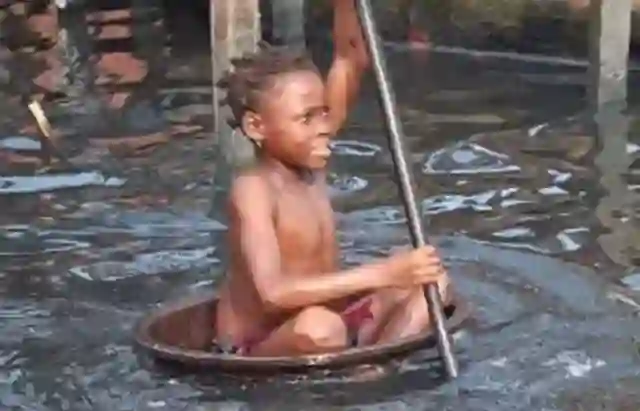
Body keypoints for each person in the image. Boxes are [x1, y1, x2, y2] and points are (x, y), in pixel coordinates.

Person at [213, 0, 450, 357]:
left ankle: (375, 362)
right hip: (263, 344)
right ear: (256, 126)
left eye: (324, 113)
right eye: (307, 118)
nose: (325, 127)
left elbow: (350, 57)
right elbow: (273, 294)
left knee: (434, 280)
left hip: (332, 322)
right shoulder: (253, 190)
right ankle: (366, 359)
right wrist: (384, 273)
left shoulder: (311, 152)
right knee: (320, 328)